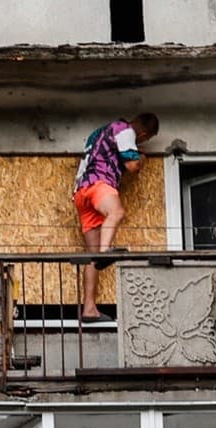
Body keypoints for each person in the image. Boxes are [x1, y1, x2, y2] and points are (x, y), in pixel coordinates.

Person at [71, 112, 159, 322]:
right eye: (145, 139)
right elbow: (131, 165)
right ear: (144, 133)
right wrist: (142, 159)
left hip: (81, 193)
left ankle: (89, 309)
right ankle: (105, 252)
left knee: (92, 257)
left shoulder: (99, 133)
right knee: (116, 212)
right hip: (99, 184)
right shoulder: (125, 130)